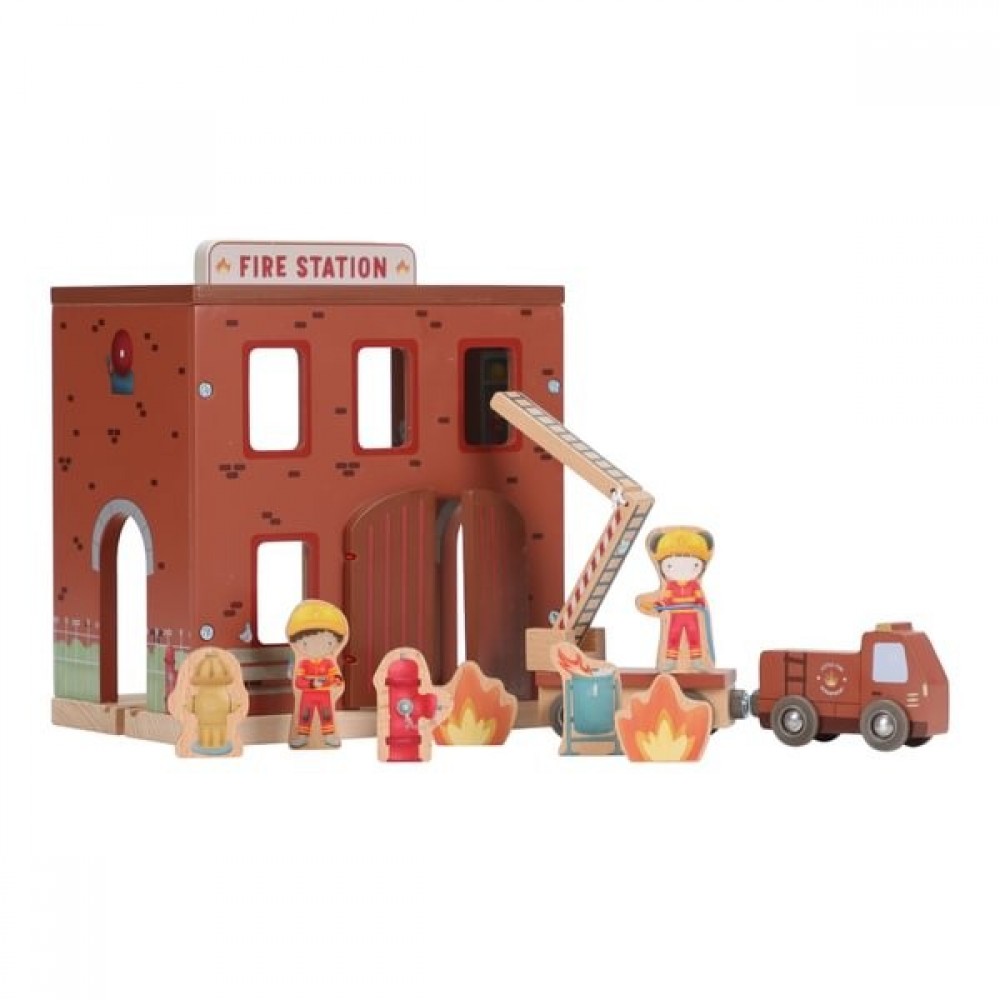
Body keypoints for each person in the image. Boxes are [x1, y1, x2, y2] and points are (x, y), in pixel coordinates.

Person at [635, 527, 714, 671]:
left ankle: (697, 661)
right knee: (673, 637)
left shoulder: (694, 585)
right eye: (670, 565)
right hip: (676, 616)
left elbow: (699, 599)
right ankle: (670, 662)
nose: (682, 570)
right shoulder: (671, 586)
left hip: (691, 615)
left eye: (694, 565)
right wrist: (660, 604)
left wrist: (700, 603)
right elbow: (665, 599)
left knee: (694, 636)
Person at [285, 600, 349, 748]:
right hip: (307, 695)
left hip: (324, 694)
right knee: (304, 715)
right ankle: (302, 737)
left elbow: (337, 679)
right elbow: (298, 682)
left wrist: (330, 681)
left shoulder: (328, 663)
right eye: (306, 643)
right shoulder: (304, 664)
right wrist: (313, 683)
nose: (317, 647)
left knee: (327, 714)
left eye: (328, 643)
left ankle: (329, 736)